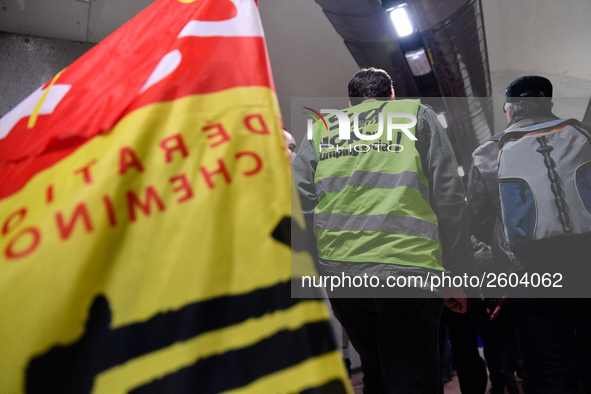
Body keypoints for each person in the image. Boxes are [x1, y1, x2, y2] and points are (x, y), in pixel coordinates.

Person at [293, 67, 473, 393]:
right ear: (391, 94)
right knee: (412, 378)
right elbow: (449, 197)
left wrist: (317, 268)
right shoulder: (416, 115)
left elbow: (299, 200)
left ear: (350, 102)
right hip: (408, 269)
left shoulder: (321, 129)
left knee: (376, 374)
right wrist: (457, 272)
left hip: (343, 277)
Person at [468, 75, 591, 393]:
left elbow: (479, 221)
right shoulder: (583, 134)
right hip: (585, 264)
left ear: (509, 111)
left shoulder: (487, 154)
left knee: (547, 367)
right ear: (549, 104)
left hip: (528, 272)